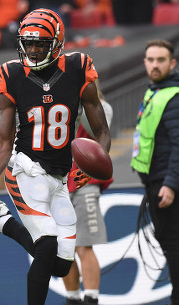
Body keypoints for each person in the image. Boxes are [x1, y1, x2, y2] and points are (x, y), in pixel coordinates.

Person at [0, 8, 111, 305]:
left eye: (39, 44)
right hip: (25, 169)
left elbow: (102, 133)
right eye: (27, 43)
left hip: (59, 176)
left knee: (61, 265)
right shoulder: (11, 74)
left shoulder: (80, 68)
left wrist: (95, 165)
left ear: (57, 43)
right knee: (45, 246)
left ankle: (2, 221)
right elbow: (4, 140)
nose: (31, 50)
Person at [131, 39, 179, 305]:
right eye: (151, 59)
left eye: (161, 60)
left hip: (167, 185)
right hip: (155, 184)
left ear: (172, 63)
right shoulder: (155, 92)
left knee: (173, 245)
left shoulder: (174, 97)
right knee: (169, 243)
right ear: (145, 62)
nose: (155, 64)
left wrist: (171, 184)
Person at [62, 83, 114, 305]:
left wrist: (77, 101)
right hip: (60, 183)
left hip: (85, 182)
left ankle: (91, 299)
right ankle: (72, 299)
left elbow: (98, 132)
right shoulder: (59, 104)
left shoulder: (103, 107)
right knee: (63, 248)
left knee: (84, 246)